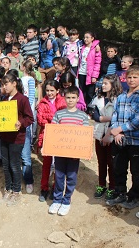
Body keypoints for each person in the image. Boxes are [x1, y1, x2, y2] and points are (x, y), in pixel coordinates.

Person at [48, 86, 89, 216]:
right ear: (64, 98)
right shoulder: (59, 114)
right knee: (59, 176)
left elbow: (85, 136)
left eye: (73, 98)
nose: (70, 100)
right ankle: (57, 199)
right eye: (68, 98)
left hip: (74, 153)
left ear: (78, 99)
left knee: (71, 177)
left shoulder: (83, 116)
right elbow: (53, 132)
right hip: (60, 152)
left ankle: (66, 201)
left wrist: (84, 151)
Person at [105, 67, 139, 209]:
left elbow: (137, 119)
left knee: (136, 171)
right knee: (118, 167)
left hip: (135, 141)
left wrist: (121, 129)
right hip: (120, 140)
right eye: (129, 77)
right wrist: (116, 132)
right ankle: (120, 192)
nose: (131, 80)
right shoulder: (121, 96)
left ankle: (135, 196)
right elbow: (115, 115)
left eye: (135, 77)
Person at [0, 74, 34, 206]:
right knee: (6, 166)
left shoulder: (22, 99)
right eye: (3, 84)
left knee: (14, 165)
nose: (4, 86)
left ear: (14, 83)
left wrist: (21, 122)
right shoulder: (4, 99)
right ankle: (8, 189)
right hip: (4, 137)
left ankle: (16, 191)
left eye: (6, 83)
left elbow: (30, 118)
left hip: (16, 138)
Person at [90, 74, 123, 200]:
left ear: (113, 85)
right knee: (101, 161)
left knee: (112, 163)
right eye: (102, 83)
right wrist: (113, 117)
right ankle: (101, 185)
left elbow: (119, 119)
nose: (102, 85)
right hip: (99, 134)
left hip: (112, 136)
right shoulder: (97, 99)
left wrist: (109, 132)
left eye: (106, 83)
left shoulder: (119, 100)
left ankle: (112, 187)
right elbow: (96, 117)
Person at [37, 80, 67, 201]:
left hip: (59, 137)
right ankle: (44, 188)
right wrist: (54, 118)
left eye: (52, 90)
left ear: (57, 91)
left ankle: (56, 188)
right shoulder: (42, 103)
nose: (49, 93)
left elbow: (64, 118)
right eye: (47, 90)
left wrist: (49, 119)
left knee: (59, 165)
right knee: (47, 164)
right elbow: (40, 120)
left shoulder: (63, 102)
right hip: (46, 136)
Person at [20, 60, 37, 193]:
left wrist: (28, 111)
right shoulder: (20, 79)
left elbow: (31, 96)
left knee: (26, 155)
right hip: (20, 114)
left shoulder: (30, 79)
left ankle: (29, 180)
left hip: (27, 115)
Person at [78, 31, 102, 105]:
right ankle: (82, 107)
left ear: (92, 38)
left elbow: (97, 63)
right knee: (81, 92)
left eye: (87, 37)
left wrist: (94, 76)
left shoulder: (96, 49)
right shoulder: (82, 47)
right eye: (84, 37)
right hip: (81, 72)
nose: (85, 39)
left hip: (90, 74)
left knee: (90, 93)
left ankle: (90, 109)